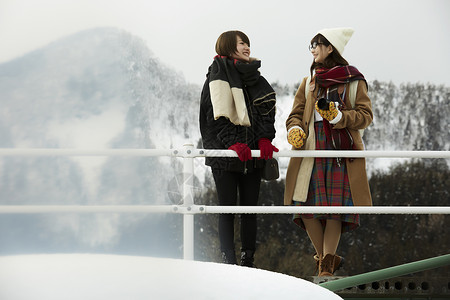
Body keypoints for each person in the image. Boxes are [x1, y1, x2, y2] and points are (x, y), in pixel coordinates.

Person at [284, 28, 373, 276]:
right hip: (310, 149)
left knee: (335, 210)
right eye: (310, 46)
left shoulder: (354, 81)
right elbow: (294, 115)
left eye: (316, 45)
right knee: (306, 207)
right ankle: (326, 259)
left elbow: (366, 116)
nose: (312, 50)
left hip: (340, 151)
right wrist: (294, 129)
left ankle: (325, 267)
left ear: (330, 47)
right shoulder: (308, 82)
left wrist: (339, 116)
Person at [199, 30, 278, 267]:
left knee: (249, 210)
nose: (247, 47)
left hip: (252, 156)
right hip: (225, 156)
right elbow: (213, 116)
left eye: (248, 43)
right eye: (241, 43)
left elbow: (266, 114)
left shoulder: (257, 80)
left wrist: (264, 139)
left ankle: (248, 260)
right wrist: (232, 142)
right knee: (227, 209)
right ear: (228, 46)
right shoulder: (216, 77)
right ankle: (228, 260)